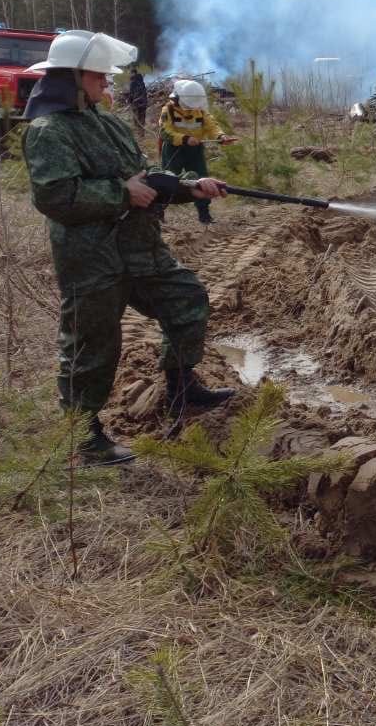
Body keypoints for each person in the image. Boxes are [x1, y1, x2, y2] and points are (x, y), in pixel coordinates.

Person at [21, 30, 234, 464]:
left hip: (139, 248)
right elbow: (56, 196)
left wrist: (191, 187)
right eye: (98, 75)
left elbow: (145, 176)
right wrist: (122, 194)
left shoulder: (107, 123)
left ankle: (181, 389)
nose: (106, 82)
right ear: (71, 77)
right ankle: (84, 436)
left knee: (187, 300)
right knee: (91, 344)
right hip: (91, 256)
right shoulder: (49, 131)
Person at [159, 80, 232, 225]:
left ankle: (204, 215)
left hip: (195, 150)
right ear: (178, 98)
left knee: (202, 180)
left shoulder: (200, 110)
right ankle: (157, 212)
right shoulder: (168, 110)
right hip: (174, 149)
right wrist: (185, 139)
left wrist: (220, 137)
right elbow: (164, 132)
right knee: (167, 181)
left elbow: (212, 126)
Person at [126, 68, 149, 133]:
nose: (129, 75)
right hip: (143, 102)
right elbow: (144, 92)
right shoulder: (142, 81)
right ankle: (141, 133)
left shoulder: (133, 82)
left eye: (130, 73)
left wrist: (129, 100)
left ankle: (137, 133)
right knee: (142, 117)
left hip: (136, 102)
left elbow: (131, 93)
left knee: (136, 118)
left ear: (133, 73)